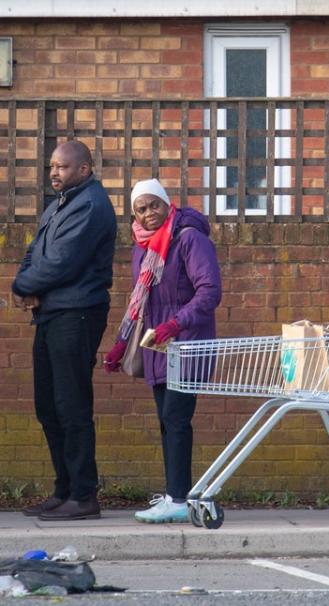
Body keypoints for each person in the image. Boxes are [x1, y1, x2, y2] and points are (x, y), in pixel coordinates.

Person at [102, 179, 222, 523]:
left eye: (153, 204)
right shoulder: (142, 247)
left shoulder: (189, 238)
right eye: (140, 208)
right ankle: (173, 495)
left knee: (176, 420)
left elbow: (209, 291)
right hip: (157, 349)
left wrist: (176, 324)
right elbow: (139, 301)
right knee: (167, 423)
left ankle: (180, 498)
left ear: (167, 204)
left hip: (186, 344)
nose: (148, 213)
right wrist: (122, 343)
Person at [12, 140, 117, 521]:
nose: (54, 172)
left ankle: (84, 495)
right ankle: (65, 489)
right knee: (48, 406)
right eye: (52, 166)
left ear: (84, 169)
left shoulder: (89, 205)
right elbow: (34, 252)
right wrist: (25, 282)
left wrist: (23, 288)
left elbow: (62, 263)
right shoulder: (61, 204)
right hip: (53, 313)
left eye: (62, 167)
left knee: (72, 406)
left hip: (77, 313)